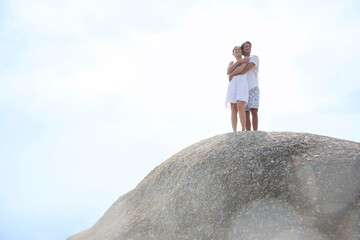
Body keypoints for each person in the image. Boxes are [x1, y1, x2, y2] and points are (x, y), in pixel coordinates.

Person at [228, 41, 259, 131]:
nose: (248, 48)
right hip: (241, 88)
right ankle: (247, 132)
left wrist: (231, 74)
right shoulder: (239, 60)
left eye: (249, 46)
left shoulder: (253, 58)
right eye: (245, 46)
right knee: (245, 111)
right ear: (242, 49)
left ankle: (255, 132)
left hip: (252, 86)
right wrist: (231, 72)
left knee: (253, 110)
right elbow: (229, 71)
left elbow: (245, 70)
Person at [225, 46, 249, 132]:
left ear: (241, 52)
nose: (237, 50)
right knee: (233, 107)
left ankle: (243, 129)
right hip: (233, 84)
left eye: (239, 49)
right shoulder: (231, 62)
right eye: (235, 50)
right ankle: (234, 131)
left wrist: (231, 74)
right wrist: (239, 62)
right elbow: (228, 70)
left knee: (240, 105)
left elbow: (242, 69)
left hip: (242, 82)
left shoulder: (245, 59)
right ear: (233, 53)